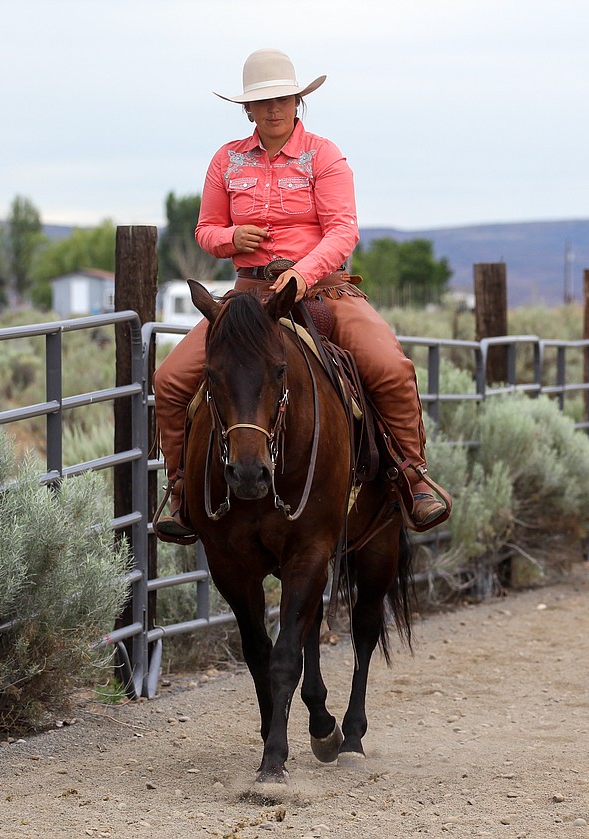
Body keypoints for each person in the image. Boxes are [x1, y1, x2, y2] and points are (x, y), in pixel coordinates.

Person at [153, 47, 449, 542]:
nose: (273, 109)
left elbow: (343, 230)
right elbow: (205, 229)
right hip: (249, 296)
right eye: (262, 101)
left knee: (390, 367)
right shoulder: (226, 160)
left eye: (283, 99)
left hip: (324, 291)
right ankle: (182, 489)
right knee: (169, 379)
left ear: (297, 102)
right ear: (248, 109)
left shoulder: (323, 156)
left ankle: (412, 479)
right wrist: (231, 238)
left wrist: (302, 274)